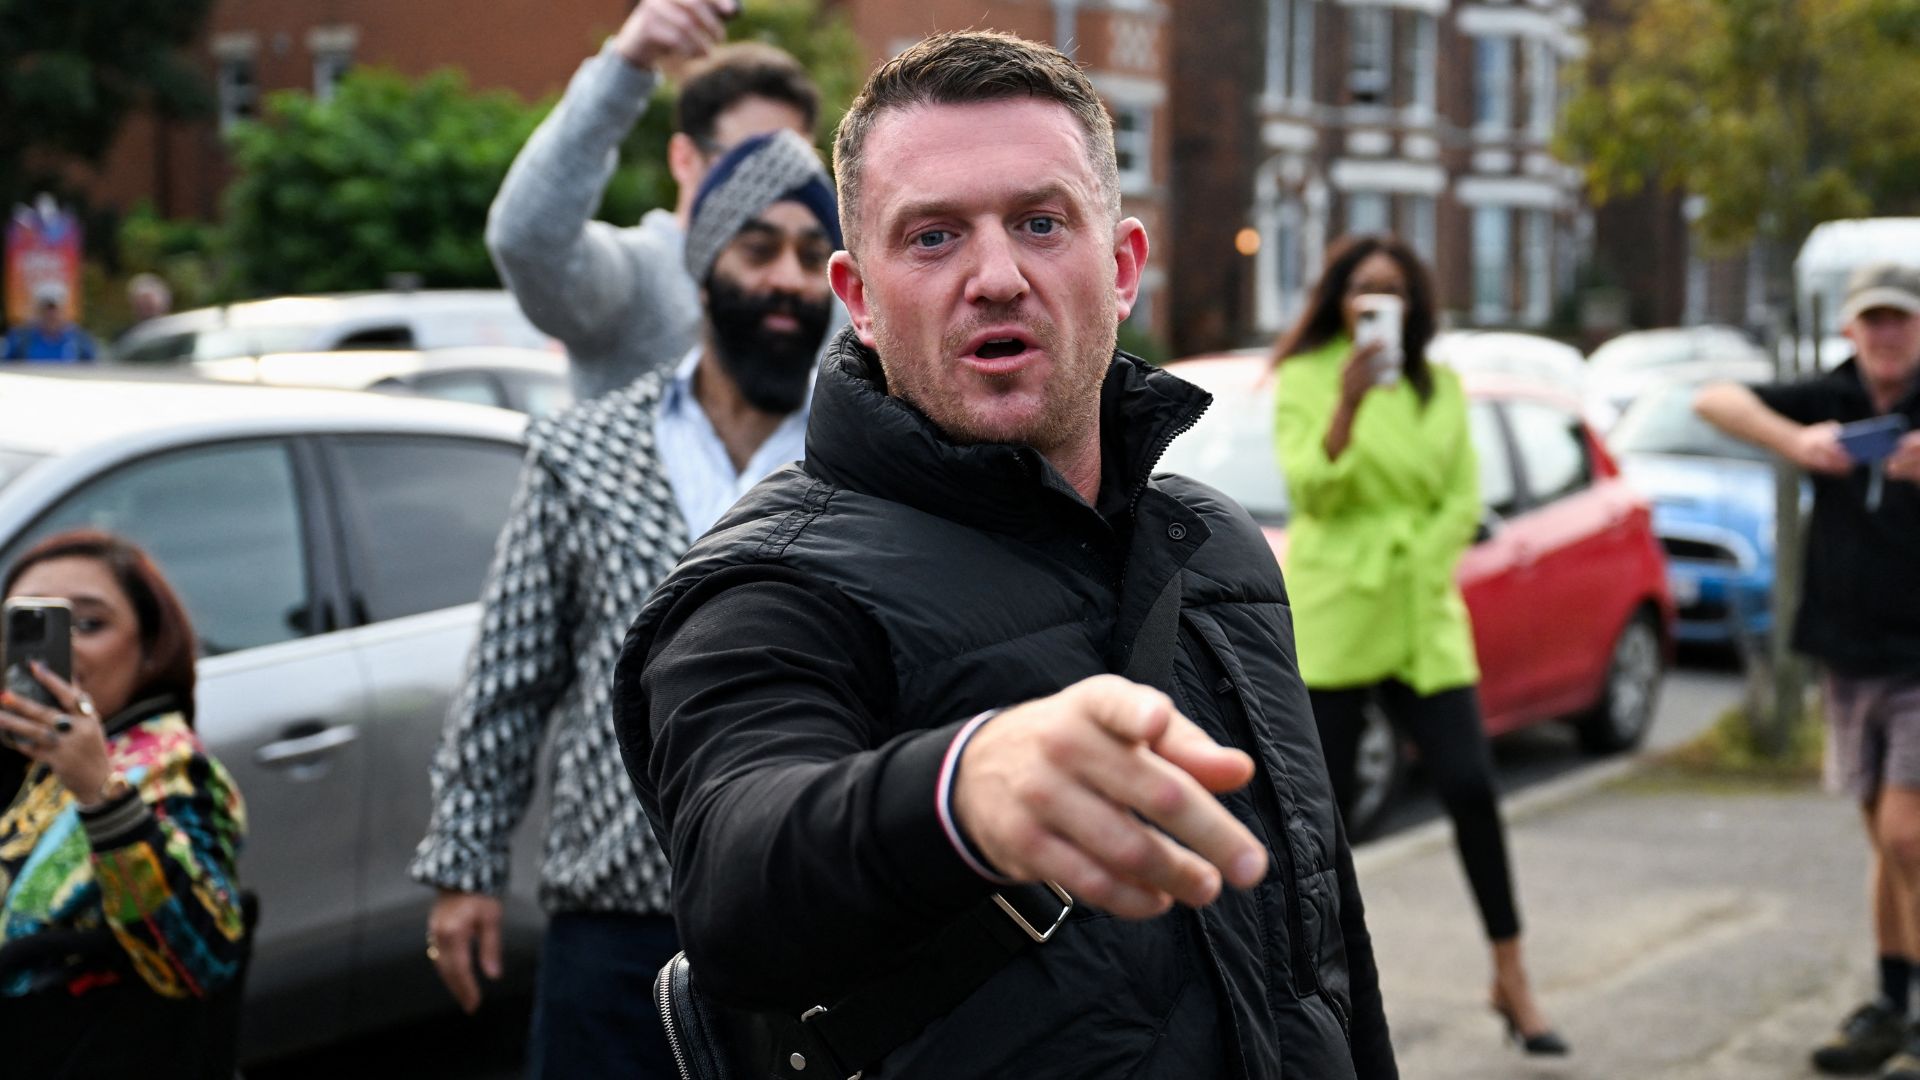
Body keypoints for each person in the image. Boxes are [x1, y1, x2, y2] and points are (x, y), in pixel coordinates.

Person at [614, 30, 1396, 1079]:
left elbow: (1324, 948)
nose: (995, 276)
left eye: (1039, 222)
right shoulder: (769, 588)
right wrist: (958, 791)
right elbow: (739, 879)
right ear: (858, 299)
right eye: (932, 238)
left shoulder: (1215, 548)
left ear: (1120, 268)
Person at [412, 128, 841, 1077]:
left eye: (814, 256)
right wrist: (464, 868)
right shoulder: (586, 452)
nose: (787, 280)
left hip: (804, 924)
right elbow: (509, 681)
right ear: (703, 265)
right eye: (758, 248)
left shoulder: (857, 463)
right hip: (608, 930)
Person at [1269, 234, 1566, 1057]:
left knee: (1471, 786)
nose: (1375, 308)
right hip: (1339, 602)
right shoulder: (1306, 376)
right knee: (1319, 821)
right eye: (1361, 294)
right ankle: (1308, 996)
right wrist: (1348, 406)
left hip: (1422, 604)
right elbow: (1311, 490)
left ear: (1414, 306)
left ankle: (1512, 975)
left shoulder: (1443, 388)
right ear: (1338, 301)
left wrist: (1422, 564)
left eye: (1390, 295)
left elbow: (1462, 496)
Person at [1696, 261, 1920, 1079]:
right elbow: (1714, 398)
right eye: (1875, 320)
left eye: (1901, 319)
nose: (1888, 334)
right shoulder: (1832, 397)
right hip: (1847, 649)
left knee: (1908, 834)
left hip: (1917, 654)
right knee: (1884, 841)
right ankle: (1895, 1003)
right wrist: (1797, 443)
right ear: (1851, 329)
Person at [0, 529, 248, 1077]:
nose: (55, 649)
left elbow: (200, 966)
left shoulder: (172, 769)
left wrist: (101, 793)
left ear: (149, 647)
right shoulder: (27, 761)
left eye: (87, 624)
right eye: (27, 625)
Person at [486, 0, 821, 402]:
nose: (776, 185)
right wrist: (627, 62)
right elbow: (527, 239)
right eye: (746, 161)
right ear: (683, 159)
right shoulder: (637, 277)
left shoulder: (818, 291)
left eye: (794, 162)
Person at [2, 282, 97, 363]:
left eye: (54, 309)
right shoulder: (19, 340)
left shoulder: (80, 341)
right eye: (45, 309)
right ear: (37, 311)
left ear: (63, 310)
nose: (51, 315)